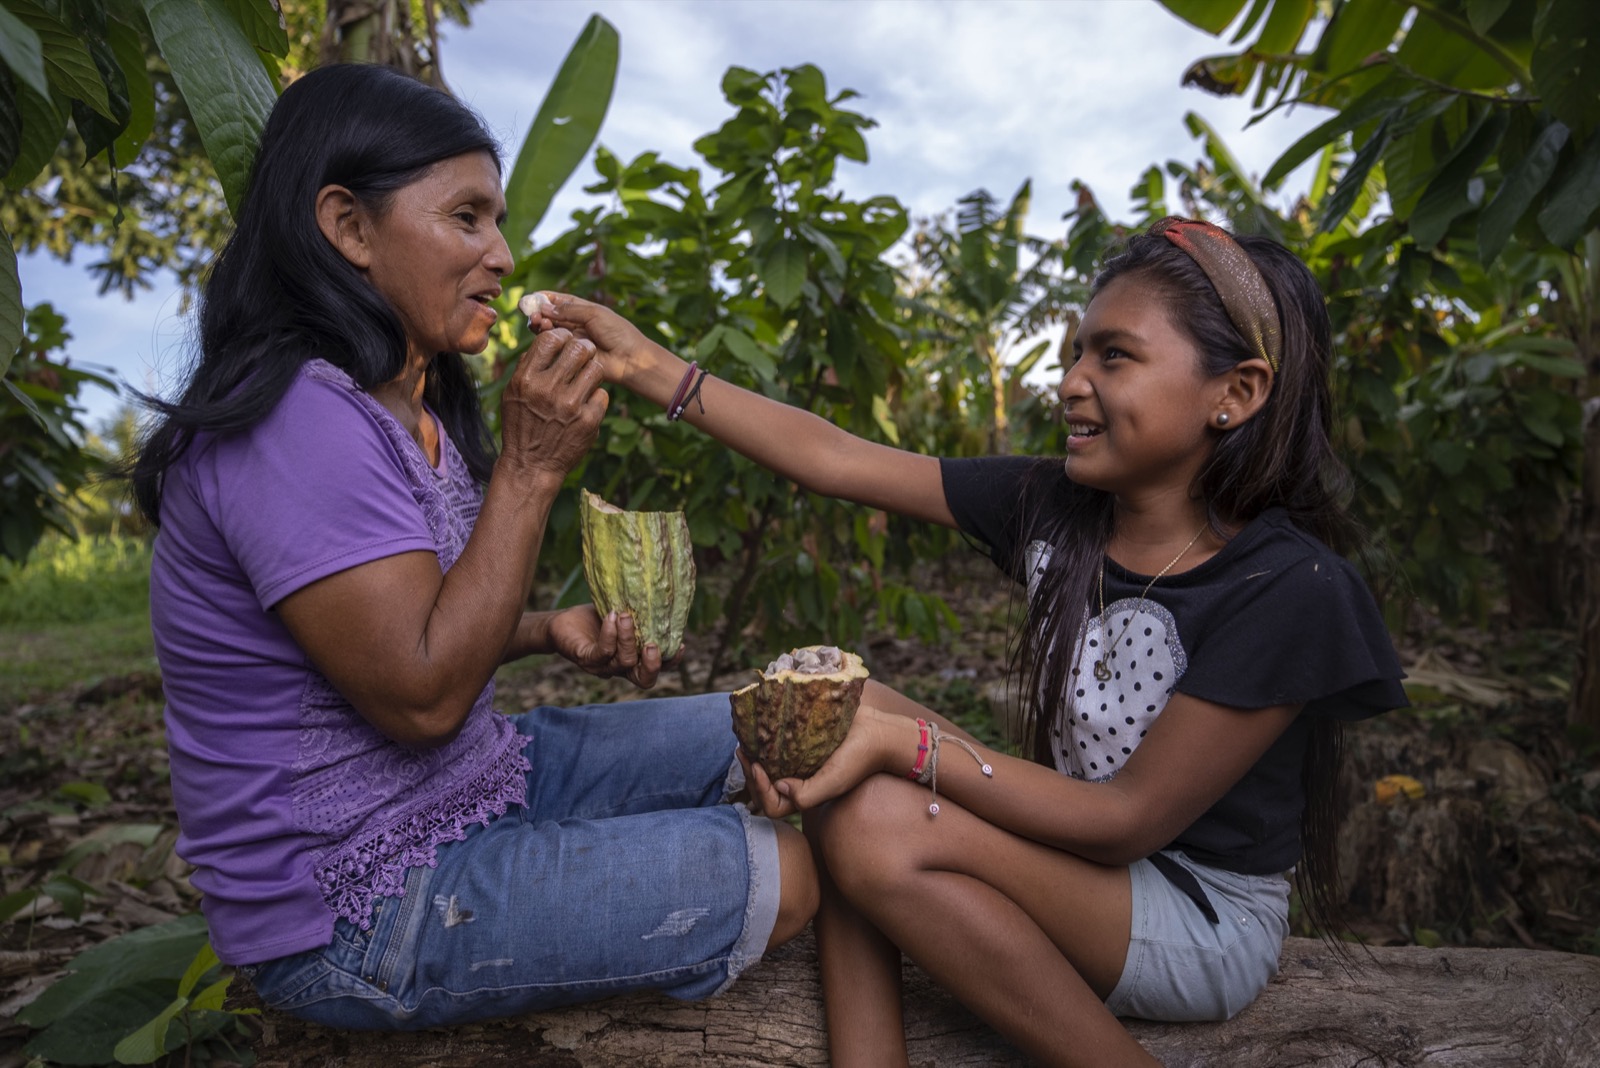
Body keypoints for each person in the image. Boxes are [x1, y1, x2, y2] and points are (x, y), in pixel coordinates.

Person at [533, 217, 1408, 1067]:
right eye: (1074, 352)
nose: (1071, 380)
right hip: (1076, 862)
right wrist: (644, 363)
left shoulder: (1288, 587)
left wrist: (908, 748)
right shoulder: (1058, 509)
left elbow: (1126, 820)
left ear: (1236, 393)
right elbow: (836, 459)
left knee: (876, 809)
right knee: (842, 706)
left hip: (1198, 915)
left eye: (1115, 355)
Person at [130, 63, 818, 1030]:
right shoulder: (293, 419)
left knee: (792, 724)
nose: (500, 252)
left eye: (497, 220)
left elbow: (399, 632)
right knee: (782, 869)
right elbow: (419, 697)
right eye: (467, 218)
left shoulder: (405, 408)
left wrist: (542, 629)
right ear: (349, 227)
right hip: (354, 907)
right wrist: (531, 471)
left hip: (472, 785)